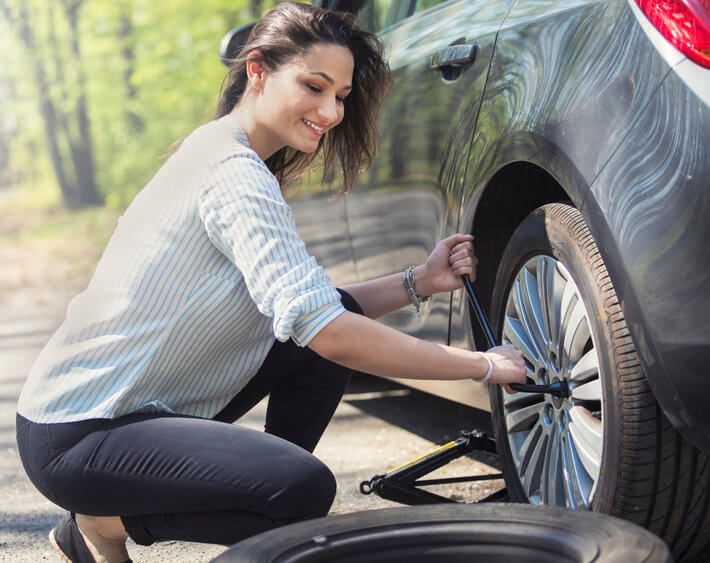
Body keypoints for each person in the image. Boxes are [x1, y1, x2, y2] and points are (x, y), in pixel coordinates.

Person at [15, 3, 527, 562]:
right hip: (81, 432)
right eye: (314, 86)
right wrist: (481, 365)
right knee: (300, 487)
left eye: (342, 96)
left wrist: (420, 281)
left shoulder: (226, 153)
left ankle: (240, 502)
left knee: (309, 375)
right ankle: (103, 520)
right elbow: (328, 329)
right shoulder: (231, 173)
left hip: (131, 417)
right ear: (257, 70)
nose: (331, 111)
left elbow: (316, 313)